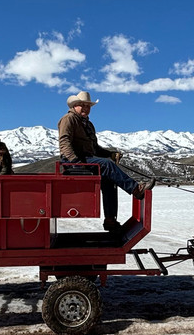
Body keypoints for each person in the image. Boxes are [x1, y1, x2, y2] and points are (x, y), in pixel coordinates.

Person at [58, 91, 153, 232]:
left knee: (109, 180)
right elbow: (64, 141)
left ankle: (110, 220)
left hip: (87, 160)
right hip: (74, 163)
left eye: (88, 106)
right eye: (82, 105)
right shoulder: (68, 119)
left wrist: (110, 154)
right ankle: (135, 189)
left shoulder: (88, 125)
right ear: (75, 106)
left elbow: (94, 148)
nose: (85, 108)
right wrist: (75, 161)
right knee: (107, 165)